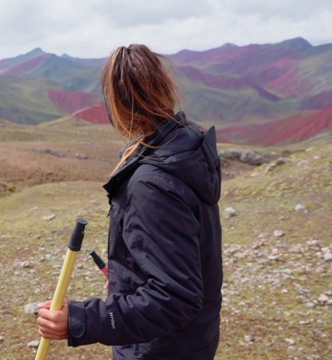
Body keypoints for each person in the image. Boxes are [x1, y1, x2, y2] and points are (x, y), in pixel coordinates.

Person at [37, 44, 223, 359]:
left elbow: (173, 298)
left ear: (116, 104)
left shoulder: (152, 183)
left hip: (159, 349)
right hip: (191, 341)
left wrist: (81, 320)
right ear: (164, 88)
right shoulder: (184, 146)